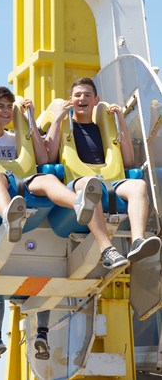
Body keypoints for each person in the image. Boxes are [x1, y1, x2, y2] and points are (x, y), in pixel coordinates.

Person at [0, 85, 104, 362]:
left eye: (10, 107)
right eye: (1, 107)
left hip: (22, 183)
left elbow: (43, 159)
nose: (7, 112)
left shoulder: (16, 136)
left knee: (47, 179)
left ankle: (79, 203)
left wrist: (30, 120)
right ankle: (10, 214)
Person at [44, 77, 161, 269]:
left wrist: (121, 121)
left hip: (109, 182)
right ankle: (107, 249)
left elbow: (129, 161)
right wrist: (57, 118)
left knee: (139, 185)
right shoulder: (63, 125)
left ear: (96, 100)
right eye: (77, 95)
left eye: (87, 95)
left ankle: (137, 241)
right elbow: (48, 158)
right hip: (77, 183)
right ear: (70, 100)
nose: (82, 98)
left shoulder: (104, 128)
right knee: (91, 184)